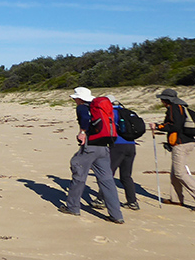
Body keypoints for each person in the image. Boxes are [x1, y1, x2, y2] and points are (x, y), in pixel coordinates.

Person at [59, 87, 125, 224]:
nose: (74, 100)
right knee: (107, 180)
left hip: (91, 145)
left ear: (80, 98)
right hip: (104, 147)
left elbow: (84, 120)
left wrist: (82, 132)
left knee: (78, 171)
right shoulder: (98, 108)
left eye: (75, 98)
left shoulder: (82, 108)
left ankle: (72, 207)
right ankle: (116, 214)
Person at [149, 88, 195, 212]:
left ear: (166, 100)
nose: (161, 101)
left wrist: (158, 126)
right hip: (186, 142)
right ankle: (176, 199)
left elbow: (175, 125)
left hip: (181, 143)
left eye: (162, 99)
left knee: (179, 173)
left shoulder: (174, 108)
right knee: (175, 173)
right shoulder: (180, 107)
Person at [90, 95, 139, 210]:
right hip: (131, 146)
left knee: (107, 174)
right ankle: (132, 202)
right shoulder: (127, 112)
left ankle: (101, 200)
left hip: (117, 146)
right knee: (126, 176)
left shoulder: (111, 113)